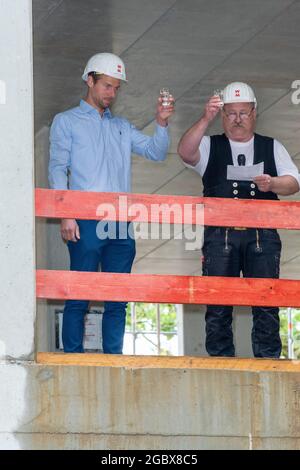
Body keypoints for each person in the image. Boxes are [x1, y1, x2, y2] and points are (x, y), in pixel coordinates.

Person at [49, 52, 174, 354]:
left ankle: (114, 358)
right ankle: (73, 358)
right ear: (89, 80)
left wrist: (161, 123)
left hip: (121, 222)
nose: (112, 93)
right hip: (85, 219)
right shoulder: (66, 121)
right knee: (80, 292)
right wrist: (66, 215)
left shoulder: (122, 126)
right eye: (107, 85)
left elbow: (156, 152)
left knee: (118, 296)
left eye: (116, 87)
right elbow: (56, 168)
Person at [177, 81, 299, 358]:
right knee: (218, 305)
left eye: (243, 113)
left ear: (255, 113)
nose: (238, 119)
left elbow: (293, 183)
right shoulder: (210, 145)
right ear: (223, 115)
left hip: (263, 237)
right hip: (220, 237)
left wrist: (273, 184)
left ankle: (268, 362)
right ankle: (220, 364)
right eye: (231, 113)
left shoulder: (272, 146)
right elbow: (185, 152)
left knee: (266, 302)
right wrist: (205, 118)